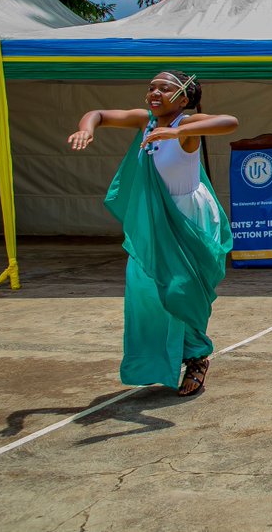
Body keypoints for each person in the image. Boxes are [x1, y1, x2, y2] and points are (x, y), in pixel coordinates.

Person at [68, 71, 237, 396]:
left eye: (165, 88)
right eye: (151, 87)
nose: (154, 93)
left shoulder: (185, 125)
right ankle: (160, 359)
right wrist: (85, 128)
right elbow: (99, 114)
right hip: (153, 221)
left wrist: (178, 132)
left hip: (188, 220)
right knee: (147, 292)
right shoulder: (144, 120)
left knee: (180, 293)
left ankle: (197, 357)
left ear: (184, 98)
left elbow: (229, 121)